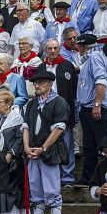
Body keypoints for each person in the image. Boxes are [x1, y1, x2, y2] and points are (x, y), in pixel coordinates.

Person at [18, 71, 68, 214]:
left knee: (52, 190)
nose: (36, 86)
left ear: (49, 84)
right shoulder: (32, 104)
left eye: (40, 83)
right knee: (36, 191)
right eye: (35, 83)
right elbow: (25, 127)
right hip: (32, 153)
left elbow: (59, 128)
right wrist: (26, 147)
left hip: (50, 153)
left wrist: (44, 147)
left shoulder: (59, 102)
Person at [36, 39, 78, 185]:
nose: (52, 51)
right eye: (49, 48)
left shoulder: (68, 65)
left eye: (55, 48)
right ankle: (53, 176)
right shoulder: (41, 67)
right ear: (45, 50)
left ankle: (68, 176)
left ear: (59, 49)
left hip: (64, 111)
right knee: (47, 142)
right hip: (45, 112)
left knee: (66, 143)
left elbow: (73, 89)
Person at [76, 33, 107, 184]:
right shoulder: (89, 59)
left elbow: (101, 80)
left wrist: (97, 104)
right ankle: (89, 176)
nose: (78, 49)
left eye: (79, 46)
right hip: (87, 107)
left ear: (82, 46)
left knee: (102, 144)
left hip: (95, 107)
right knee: (89, 145)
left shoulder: (95, 57)